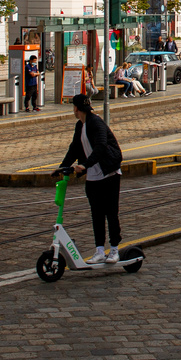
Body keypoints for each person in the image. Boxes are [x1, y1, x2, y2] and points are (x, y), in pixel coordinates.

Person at [58, 93, 124, 265]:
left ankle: (115, 249)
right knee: (96, 214)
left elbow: (101, 146)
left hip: (109, 174)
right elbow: (74, 148)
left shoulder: (96, 123)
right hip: (93, 177)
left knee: (111, 212)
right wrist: (62, 167)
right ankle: (100, 251)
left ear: (76, 108)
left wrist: (85, 165)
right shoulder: (80, 126)